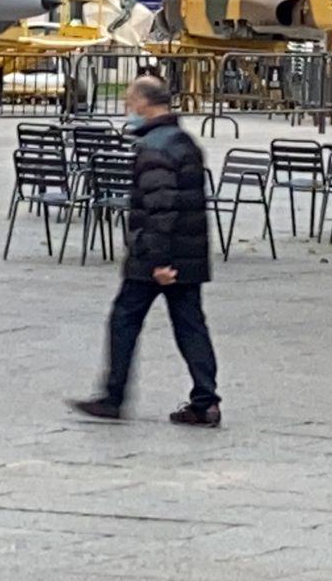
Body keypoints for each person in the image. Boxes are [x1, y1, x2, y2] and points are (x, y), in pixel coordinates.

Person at [69, 75, 222, 426]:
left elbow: (160, 208)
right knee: (190, 324)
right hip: (189, 252)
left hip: (156, 256)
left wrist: (158, 260)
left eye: (130, 100)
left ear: (145, 103)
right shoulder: (184, 142)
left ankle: (113, 395)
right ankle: (205, 399)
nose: (127, 107)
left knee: (124, 318)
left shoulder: (154, 147)